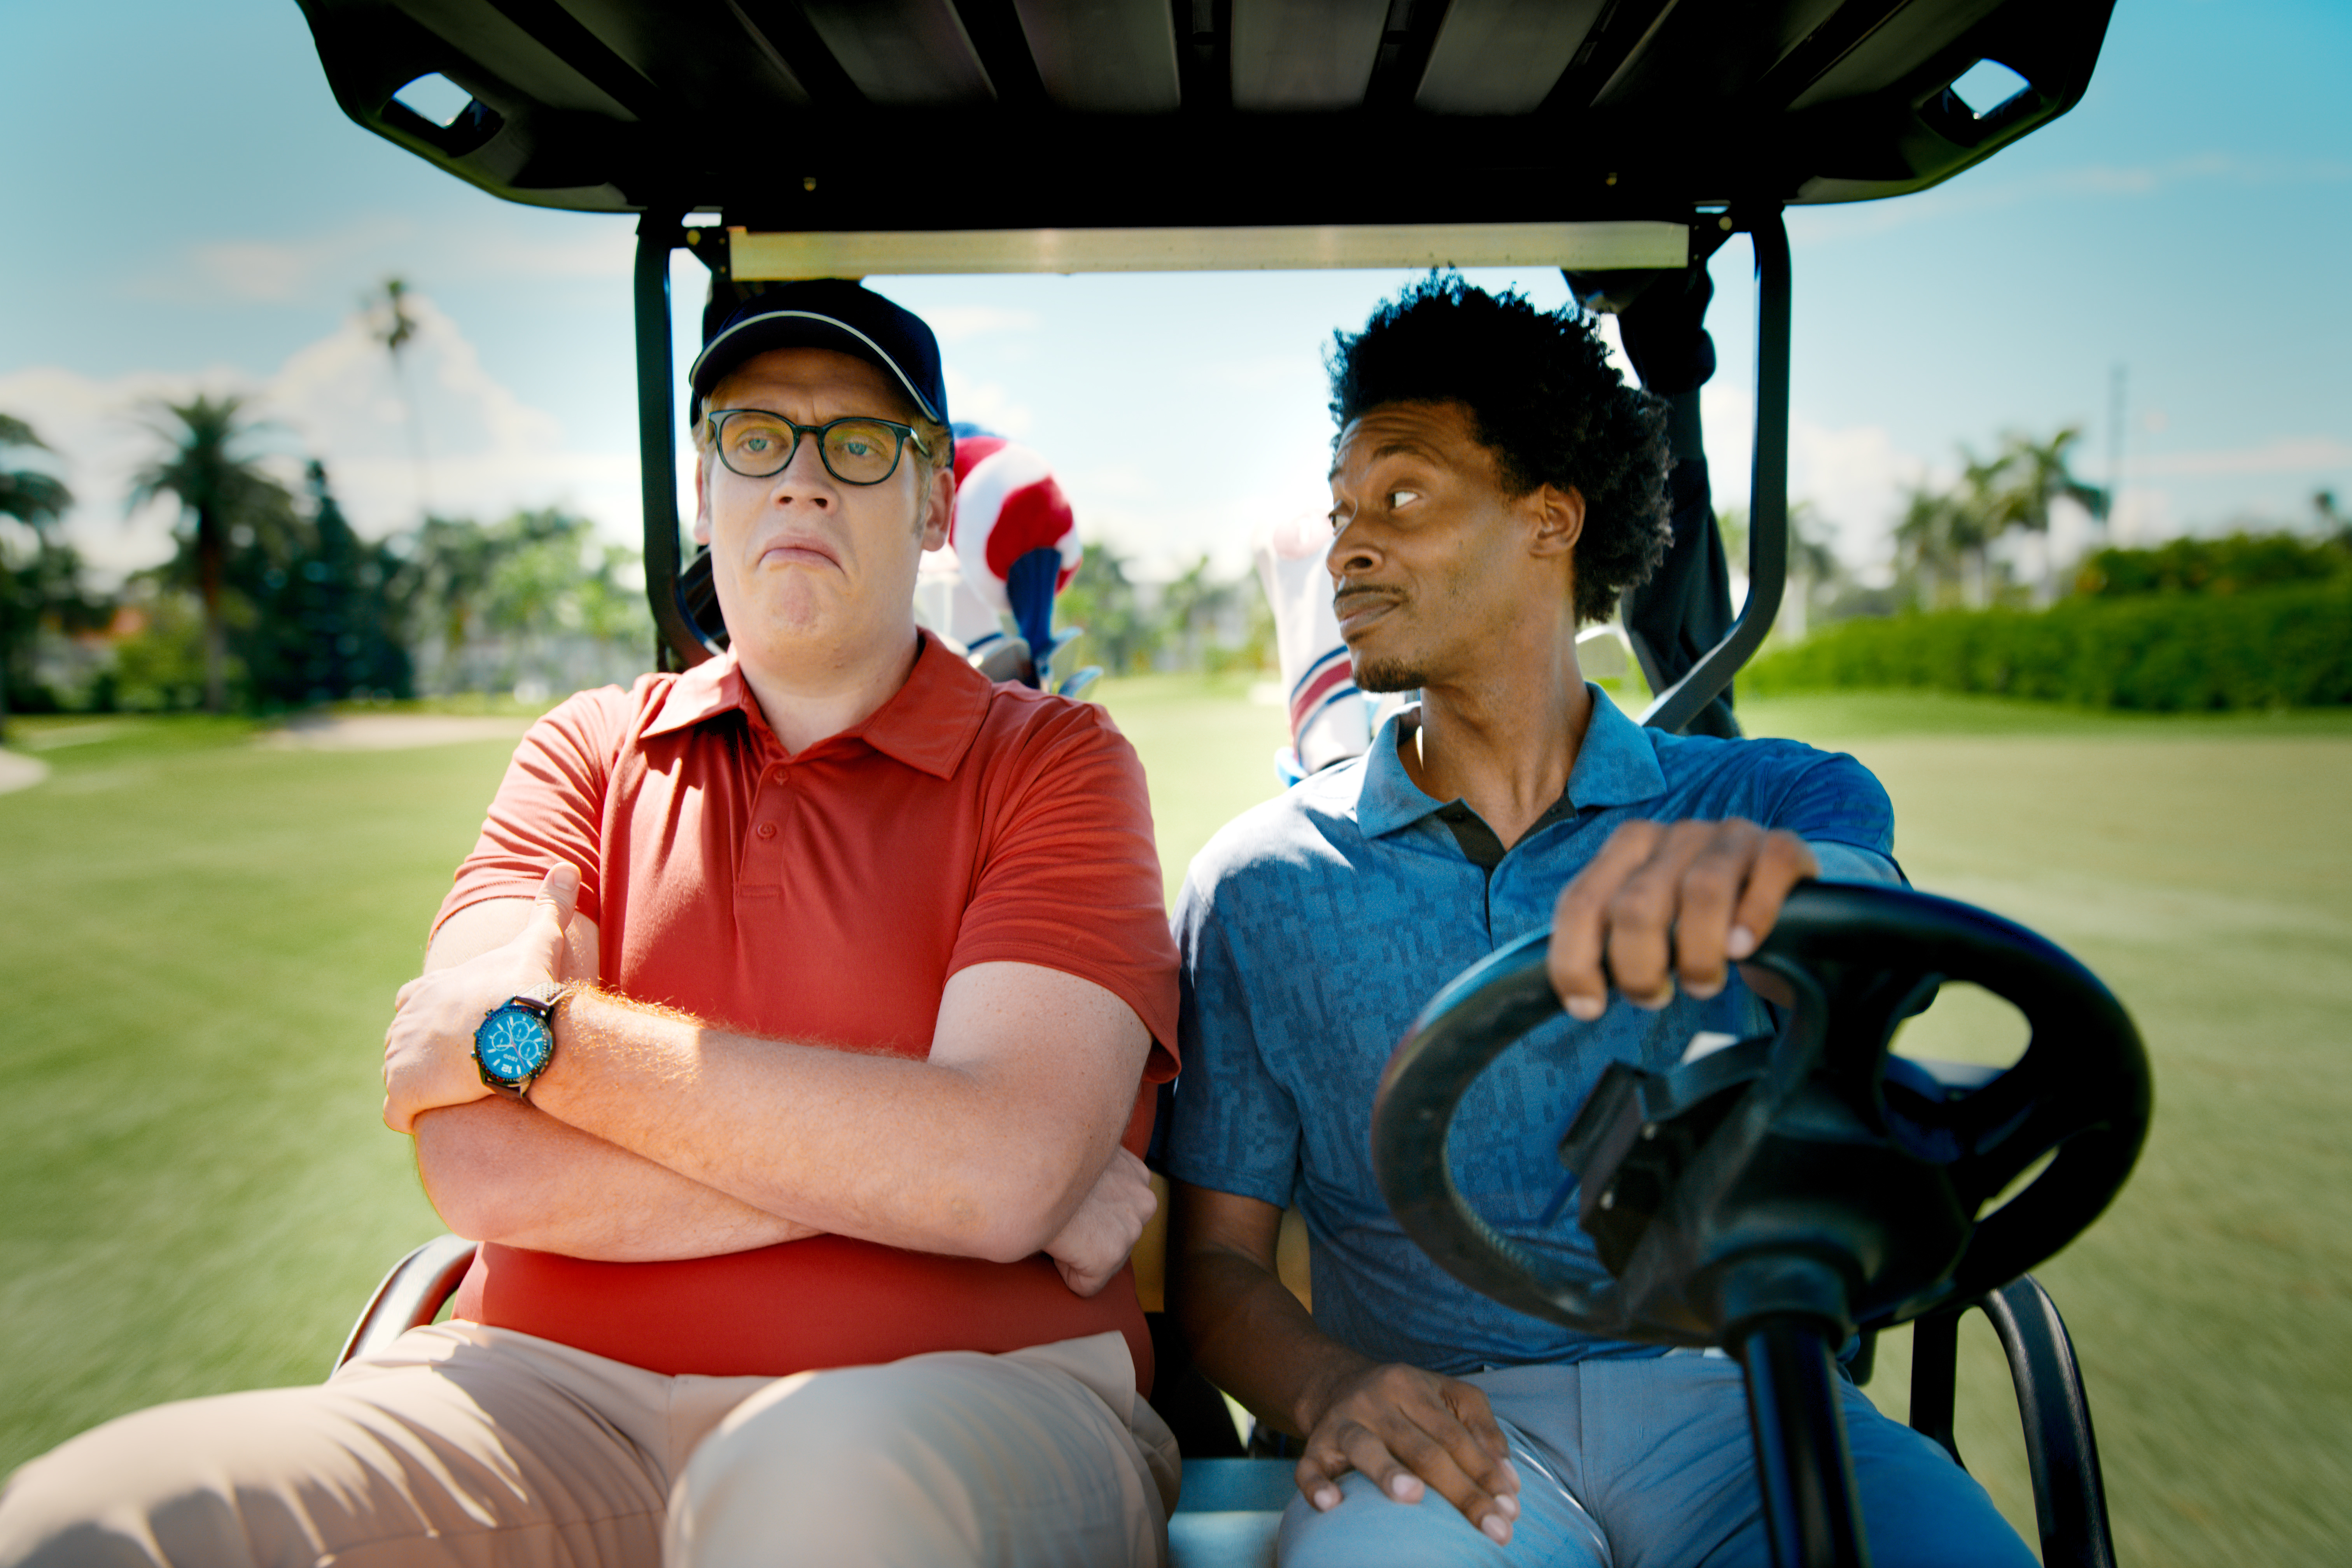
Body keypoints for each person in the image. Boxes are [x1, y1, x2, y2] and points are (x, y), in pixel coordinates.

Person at [0, 279, 1183, 1568]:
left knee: (805, 1493)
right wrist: (945, 1175)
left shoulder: (1056, 764)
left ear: (932, 502)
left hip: (967, 1396)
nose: (799, 481)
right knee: (99, 1523)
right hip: (545, 1396)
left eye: (856, 443)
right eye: (752, 438)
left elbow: (998, 1171)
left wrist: (543, 1044)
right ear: (705, 486)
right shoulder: (583, 752)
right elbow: (480, 1166)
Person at [1164, 275, 2036, 1567]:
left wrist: (1759, 887)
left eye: (1400, 498)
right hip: (1442, 1430)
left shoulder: (1771, 796)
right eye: (1342, 511)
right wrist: (1328, 1388)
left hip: (1741, 1399)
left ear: (1550, 520)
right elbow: (1218, 1267)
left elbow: (1865, 908)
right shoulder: (1258, 883)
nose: (1347, 547)